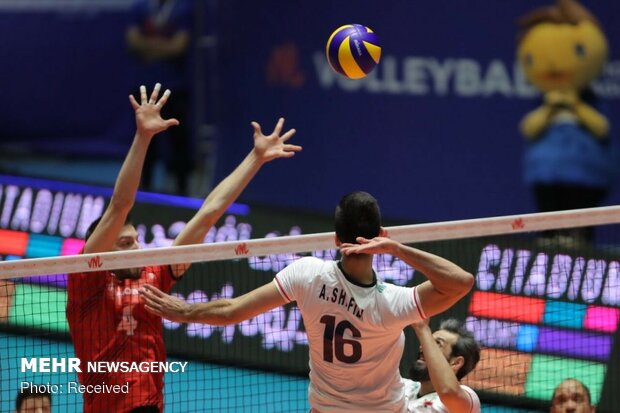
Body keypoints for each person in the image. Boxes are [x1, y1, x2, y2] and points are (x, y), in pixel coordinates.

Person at [66, 83, 301, 413]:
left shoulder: (155, 273)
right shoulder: (86, 284)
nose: (136, 247)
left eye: (135, 240)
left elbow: (208, 213)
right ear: (100, 255)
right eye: (124, 244)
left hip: (149, 406)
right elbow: (119, 206)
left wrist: (255, 158)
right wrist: (144, 137)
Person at [141, 191, 475, 412]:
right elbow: (460, 283)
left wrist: (182, 311)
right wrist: (398, 250)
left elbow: (231, 311)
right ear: (381, 235)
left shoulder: (307, 274)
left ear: (335, 238)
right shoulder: (396, 302)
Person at [126, 0, 193, 195]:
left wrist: (148, 47)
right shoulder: (140, 7)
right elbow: (132, 42)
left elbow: (179, 46)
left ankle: (183, 191)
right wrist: (165, 47)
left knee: (179, 141)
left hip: (174, 87)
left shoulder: (183, 8)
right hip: (144, 87)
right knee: (143, 142)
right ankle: (143, 189)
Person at [403, 318, 481, 412]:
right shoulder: (404, 387)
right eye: (428, 342)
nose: (422, 347)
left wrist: (422, 328)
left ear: (456, 363)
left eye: (437, 344)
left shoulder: (468, 399)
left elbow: (448, 392)